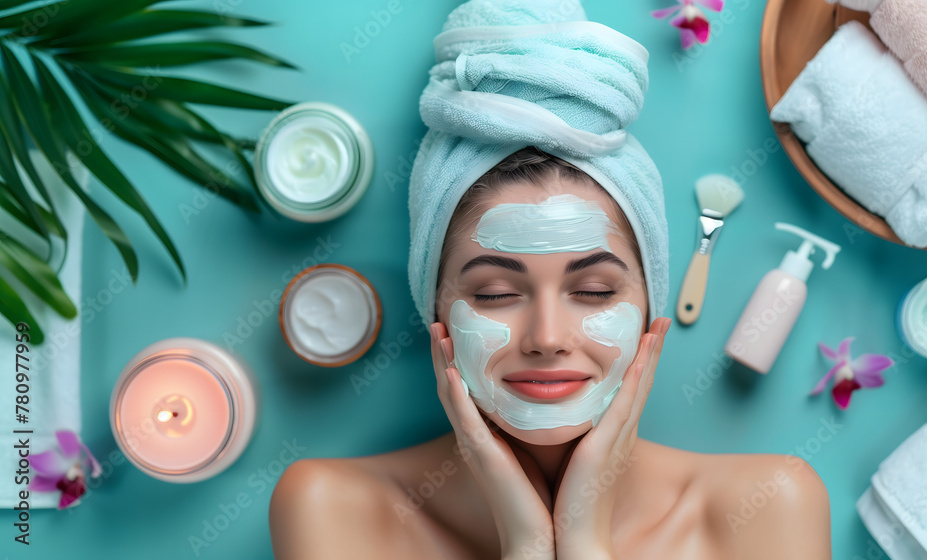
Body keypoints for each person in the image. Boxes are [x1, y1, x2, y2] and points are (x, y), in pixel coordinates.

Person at [269, 148, 832, 559]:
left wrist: (584, 542)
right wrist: (527, 546)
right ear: (435, 316)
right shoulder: (333, 510)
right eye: (494, 294)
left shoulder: (768, 508)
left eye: (593, 292)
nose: (546, 336)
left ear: (649, 318)